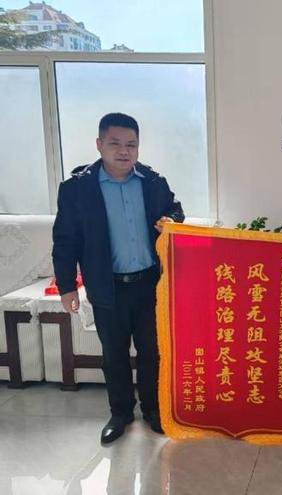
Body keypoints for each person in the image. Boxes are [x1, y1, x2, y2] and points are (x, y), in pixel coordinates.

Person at [52, 112, 184, 444]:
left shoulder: (152, 182)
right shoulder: (77, 188)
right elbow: (65, 240)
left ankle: (153, 409)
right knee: (114, 353)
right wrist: (67, 286)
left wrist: (171, 219)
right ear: (99, 144)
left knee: (152, 351)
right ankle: (120, 413)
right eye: (115, 143)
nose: (124, 151)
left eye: (131, 144)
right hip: (107, 286)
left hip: (150, 284)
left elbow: (176, 210)